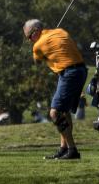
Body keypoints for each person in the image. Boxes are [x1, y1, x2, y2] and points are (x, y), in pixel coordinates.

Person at [23, 19, 87, 160]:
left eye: (28, 37)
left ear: (35, 32)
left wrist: (41, 51)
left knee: (55, 113)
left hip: (69, 73)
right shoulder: (60, 31)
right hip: (81, 70)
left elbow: (37, 63)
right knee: (64, 112)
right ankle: (64, 149)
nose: (29, 41)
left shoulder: (38, 45)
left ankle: (72, 150)